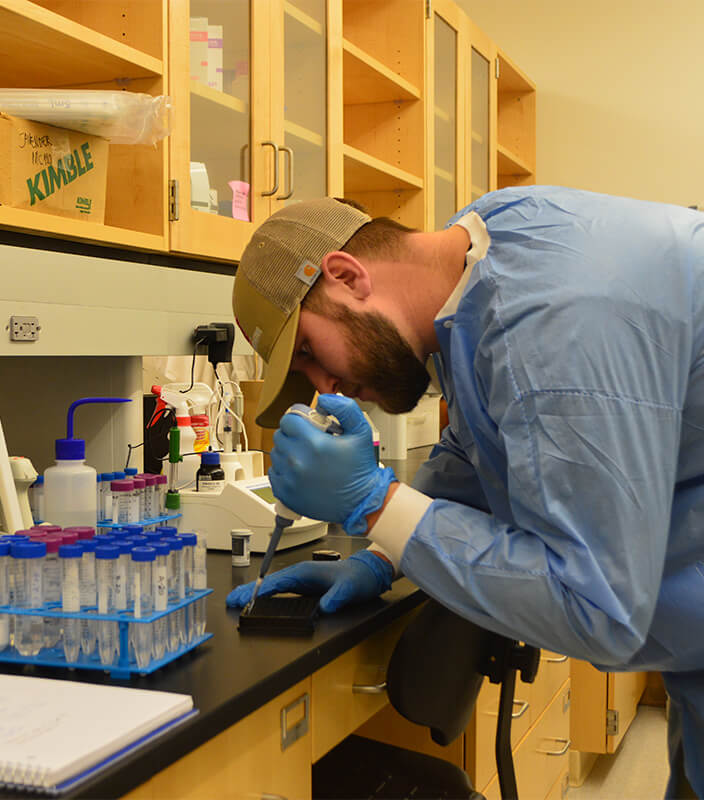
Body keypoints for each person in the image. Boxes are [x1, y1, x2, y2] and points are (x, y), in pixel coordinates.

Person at [225, 189, 704, 797]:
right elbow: (480, 447)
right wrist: (382, 557)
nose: (325, 385)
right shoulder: (483, 248)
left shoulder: (556, 320)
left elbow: (601, 607)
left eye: (311, 354)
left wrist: (376, 502)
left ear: (347, 276)